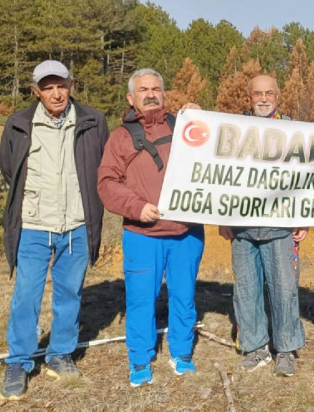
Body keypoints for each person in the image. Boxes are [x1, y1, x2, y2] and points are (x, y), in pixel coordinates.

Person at [0, 60, 108, 399]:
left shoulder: (93, 121)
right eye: (48, 87)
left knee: (69, 294)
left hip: (76, 224)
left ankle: (60, 354)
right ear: (36, 91)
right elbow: (7, 168)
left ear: (71, 85)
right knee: (26, 296)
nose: (56, 93)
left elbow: (102, 163)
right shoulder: (19, 123)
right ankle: (19, 360)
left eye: (61, 85)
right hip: (33, 225)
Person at [98, 68, 204, 387]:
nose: (150, 94)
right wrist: (137, 208)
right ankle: (141, 359)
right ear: (131, 98)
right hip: (142, 233)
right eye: (143, 89)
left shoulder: (184, 127)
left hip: (186, 231)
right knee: (141, 298)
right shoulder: (120, 137)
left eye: (156, 88)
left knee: (184, 295)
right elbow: (106, 183)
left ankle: (182, 353)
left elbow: (218, 154)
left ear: (164, 93)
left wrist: (203, 118)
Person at [220, 74, 308, 376]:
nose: (263, 99)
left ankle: (285, 349)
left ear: (278, 95)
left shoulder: (294, 130)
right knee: (246, 289)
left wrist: (304, 218)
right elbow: (220, 176)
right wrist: (223, 219)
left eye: (269, 93)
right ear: (249, 97)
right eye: (257, 93)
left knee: (284, 289)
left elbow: (307, 178)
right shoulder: (234, 131)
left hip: (280, 227)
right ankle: (256, 347)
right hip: (243, 227)